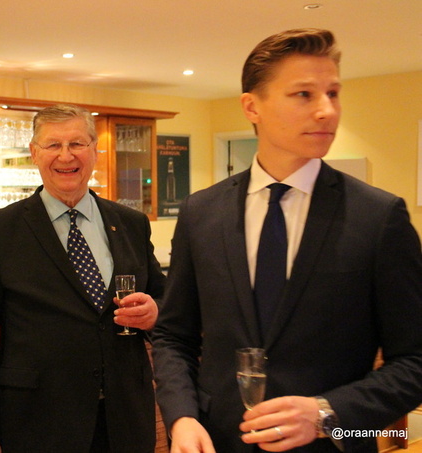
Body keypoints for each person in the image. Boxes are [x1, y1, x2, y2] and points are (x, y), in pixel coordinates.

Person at [151, 28, 422, 453]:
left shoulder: (378, 216)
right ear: (252, 106)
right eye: (303, 95)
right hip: (219, 441)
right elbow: (173, 336)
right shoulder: (201, 212)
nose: (326, 110)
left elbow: (415, 361)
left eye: (333, 94)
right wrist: (182, 416)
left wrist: (326, 414)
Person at [0, 104, 166, 453]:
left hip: (125, 421)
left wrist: (154, 313)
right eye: (53, 145)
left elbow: (166, 303)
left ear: (94, 150)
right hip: (38, 424)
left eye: (77, 144)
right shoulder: (0, 230)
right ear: (35, 153)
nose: (66, 156)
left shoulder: (131, 223)